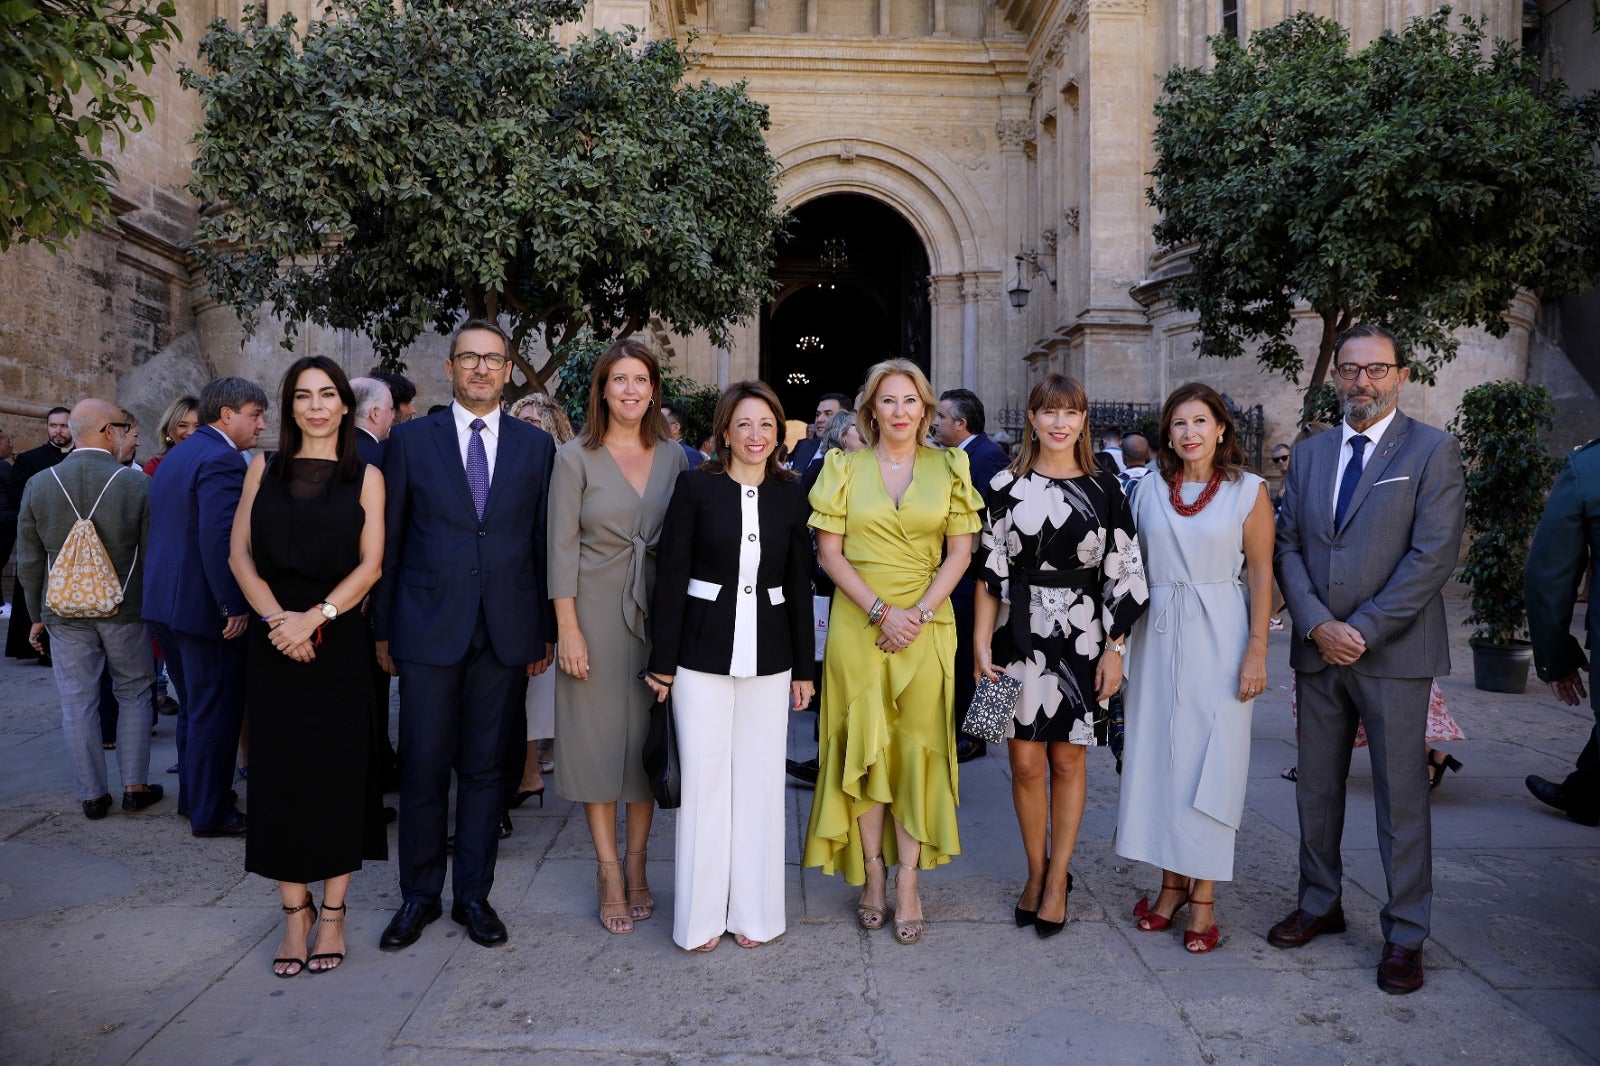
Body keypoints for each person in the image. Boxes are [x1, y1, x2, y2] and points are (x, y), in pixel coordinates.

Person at [1270, 323, 1466, 995]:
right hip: (1319, 653)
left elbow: (1433, 555)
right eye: (1351, 370)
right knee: (1318, 792)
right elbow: (1288, 544)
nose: (1363, 382)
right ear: (1336, 378)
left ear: (1402, 375)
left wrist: (1363, 629)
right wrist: (1319, 624)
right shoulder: (1313, 453)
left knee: (1401, 801)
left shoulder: (1433, 452)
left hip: (1395, 654)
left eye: (1377, 369)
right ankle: (1319, 903)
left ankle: (1406, 933)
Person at [373, 319, 557, 952]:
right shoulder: (410, 442)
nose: (481, 369)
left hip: (504, 633)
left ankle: (473, 896)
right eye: (469, 358)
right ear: (449, 368)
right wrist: (383, 628)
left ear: (509, 370)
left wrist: (544, 634)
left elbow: (541, 547)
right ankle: (418, 896)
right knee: (423, 768)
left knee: (485, 771)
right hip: (426, 630)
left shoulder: (537, 449)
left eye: (494, 359)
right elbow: (391, 542)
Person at [802, 358, 982, 946]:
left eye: (910, 401)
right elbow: (830, 554)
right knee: (866, 749)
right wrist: (883, 612)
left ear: (926, 409)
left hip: (929, 624)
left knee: (915, 753)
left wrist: (918, 615)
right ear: (870, 410)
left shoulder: (951, 466)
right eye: (888, 401)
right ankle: (872, 873)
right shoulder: (843, 467)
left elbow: (961, 552)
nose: (900, 411)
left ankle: (909, 879)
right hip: (860, 622)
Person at [228, 357, 387, 976]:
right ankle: (293, 914)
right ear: (289, 407)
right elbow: (240, 553)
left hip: (337, 642)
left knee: (336, 775)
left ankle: (334, 914)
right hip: (274, 645)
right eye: (302, 395)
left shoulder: (366, 475)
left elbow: (370, 564)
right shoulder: (263, 467)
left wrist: (312, 618)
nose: (316, 405)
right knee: (280, 777)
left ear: (345, 405)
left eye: (327, 394)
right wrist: (277, 622)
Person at [974, 374, 1147, 939]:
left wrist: (1116, 650)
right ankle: (1035, 871)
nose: (1058, 423)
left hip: (1082, 637)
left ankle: (1058, 880)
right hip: (1013, 633)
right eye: (1048, 412)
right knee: (1023, 763)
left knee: (1069, 760)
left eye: (1069, 412)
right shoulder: (1003, 483)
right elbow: (988, 570)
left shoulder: (1107, 487)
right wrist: (979, 645)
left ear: (1082, 420)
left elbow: (1124, 572)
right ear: (1031, 418)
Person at [645, 380, 815, 952]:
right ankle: (699, 919)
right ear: (723, 431)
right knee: (707, 783)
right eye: (744, 424)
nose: (756, 435)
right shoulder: (696, 487)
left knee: (761, 784)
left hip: (770, 658)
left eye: (767, 424)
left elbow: (797, 584)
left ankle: (755, 914)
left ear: (779, 432)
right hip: (698, 656)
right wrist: (662, 663)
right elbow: (670, 577)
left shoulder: (792, 495)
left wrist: (805, 671)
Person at [1113, 382, 1271, 954]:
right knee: (1161, 762)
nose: (1190, 433)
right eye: (1178, 424)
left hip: (1221, 633)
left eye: (1200, 421)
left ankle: (1202, 895)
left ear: (1222, 429)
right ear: (1167, 435)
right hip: (1155, 634)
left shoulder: (1248, 491)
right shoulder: (1148, 490)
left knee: (1214, 763)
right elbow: (1128, 567)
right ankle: (1169, 886)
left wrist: (1257, 650)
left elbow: (1260, 576)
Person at [549, 338, 688, 935]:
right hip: (595, 614)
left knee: (645, 745)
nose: (631, 390)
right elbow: (558, 549)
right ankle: (608, 869)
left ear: (654, 389)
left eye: (640, 380)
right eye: (619, 380)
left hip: (659, 615)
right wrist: (568, 631)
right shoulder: (574, 457)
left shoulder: (677, 457)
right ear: (602, 389)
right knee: (598, 744)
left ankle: (638, 864)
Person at [17, 400, 164, 820]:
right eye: (122, 427)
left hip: (63, 611)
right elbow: (152, 555)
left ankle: (92, 795)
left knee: (77, 699)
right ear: (105, 430)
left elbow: (29, 561)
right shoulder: (136, 485)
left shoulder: (40, 485)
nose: (124, 434)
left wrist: (36, 615)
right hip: (124, 608)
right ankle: (134, 786)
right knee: (134, 691)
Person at [144, 378, 268, 838]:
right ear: (227, 415)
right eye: (255, 415)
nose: (261, 425)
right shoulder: (219, 458)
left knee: (197, 707)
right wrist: (233, 604)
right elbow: (220, 540)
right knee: (216, 710)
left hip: (168, 603)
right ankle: (212, 812)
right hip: (202, 607)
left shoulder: (180, 452)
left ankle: (195, 798)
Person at [935, 387, 1016, 764]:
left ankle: (981, 734)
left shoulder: (987, 457)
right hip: (965, 572)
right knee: (965, 652)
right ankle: (972, 732)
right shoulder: (962, 454)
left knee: (980, 651)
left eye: (940, 417)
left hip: (980, 573)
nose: (935, 422)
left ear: (960, 423)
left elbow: (992, 518)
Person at [1523, 435, 1600, 827]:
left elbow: (1548, 576)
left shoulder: (1589, 466)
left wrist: (1556, 654)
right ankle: (1586, 792)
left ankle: (1586, 793)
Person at [504, 391, 575, 807]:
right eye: (521, 419)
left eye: (536, 421)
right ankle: (528, 771)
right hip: (518, 589)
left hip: (551, 589)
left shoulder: (563, 465)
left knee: (540, 686)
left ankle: (533, 770)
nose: (528, 427)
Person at [788, 406, 865, 786]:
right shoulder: (831, 471)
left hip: (887, 594)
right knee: (834, 671)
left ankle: (972, 744)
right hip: (838, 586)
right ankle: (829, 759)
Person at [7, 406, 73, 663]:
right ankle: (38, 648)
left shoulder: (80, 456)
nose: (57, 431)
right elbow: (16, 497)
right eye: (53, 425)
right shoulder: (30, 460)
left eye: (63, 426)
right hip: (41, 538)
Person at [788, 393, 852, 473]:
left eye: (828, 414)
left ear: (844, 417)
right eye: (818, 414)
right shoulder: (804, 446)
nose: (819, 420)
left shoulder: (852, 451)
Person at [141, 396, 199, 479]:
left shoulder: (216, 465)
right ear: (168, 431)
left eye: (198, 426)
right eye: (182, 425)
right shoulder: (155, 467)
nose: (191, 432)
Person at [349, 376, 396, 468]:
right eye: (390, 409)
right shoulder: (388, 458)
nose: (393, 416)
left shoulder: (325, 448)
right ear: (375, 414)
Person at [660, 402, 706, 469]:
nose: (653, 425)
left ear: (675, 428)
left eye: (659, 421)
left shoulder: (689, 456)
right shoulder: (655, 452)